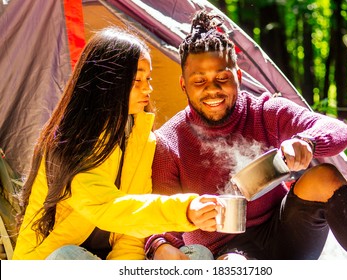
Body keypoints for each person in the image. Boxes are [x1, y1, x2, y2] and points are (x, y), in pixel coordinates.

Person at [145, 11, 347, 260]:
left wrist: (307, 142)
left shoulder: (263, 112)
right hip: (226, 251)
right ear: (183, 85)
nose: (213, 90)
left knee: (324, 176)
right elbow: (161, 220)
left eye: (222, 78)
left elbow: (340, 131)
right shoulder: (169, 142)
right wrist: (160, 245)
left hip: (286, 230)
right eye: (199, 82)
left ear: (238, 77)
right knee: (233, 264)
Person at [12, 26, 220, 260]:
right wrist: (185, 210)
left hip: (108, 261)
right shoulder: (72, 141)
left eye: (148, 78)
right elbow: (109, 207)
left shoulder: (141, 137)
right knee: (68, 256)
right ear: (106, 82)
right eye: (136, 80)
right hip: (56, 260)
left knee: (198, 255)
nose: (148, 88)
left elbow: (130, 236)